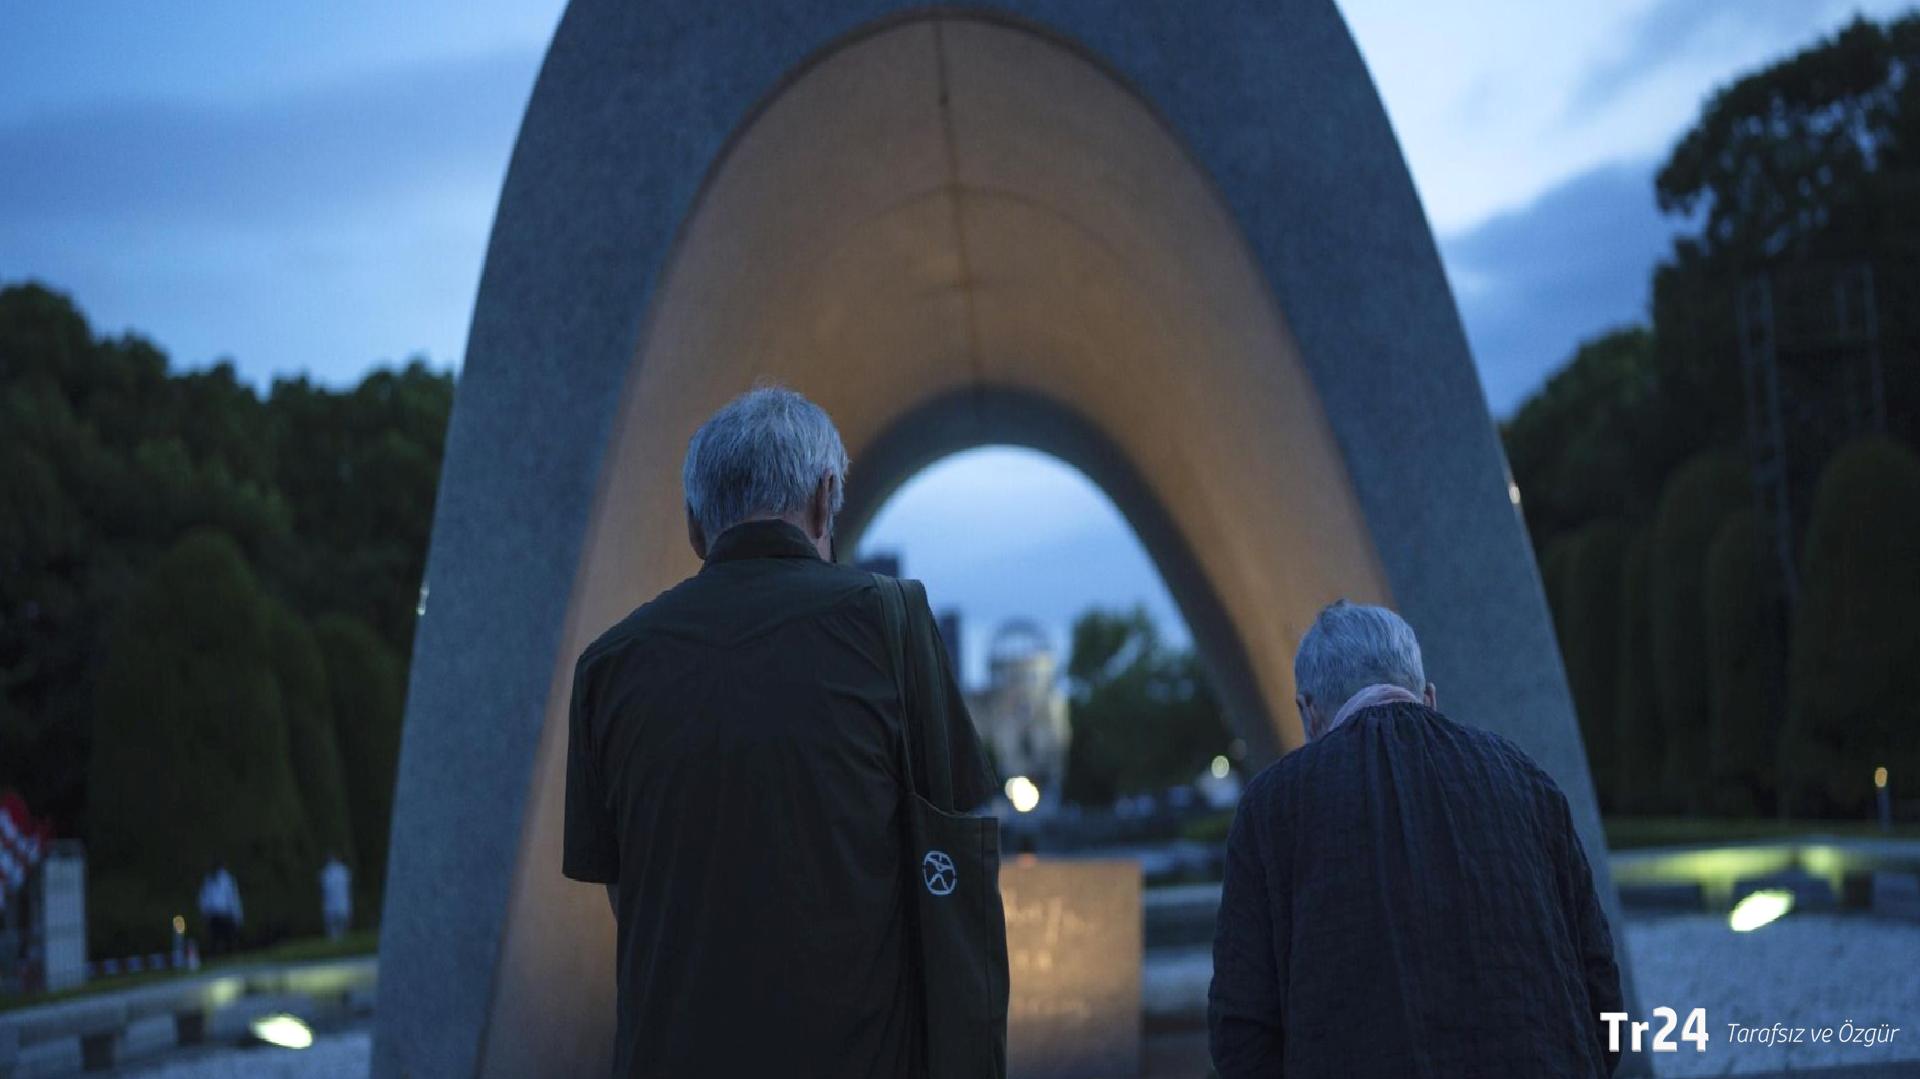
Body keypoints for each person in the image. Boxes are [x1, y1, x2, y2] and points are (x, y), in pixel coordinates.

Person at [563, 386, 997, 1078]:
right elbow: (952, 839)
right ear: (827, 497)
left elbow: (625, 886)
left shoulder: (608, 667)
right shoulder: (890, 620)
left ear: (695, 526)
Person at [1209, 600, 1624, 1077]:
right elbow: (1599, 983)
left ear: (1308, 711)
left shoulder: (1274, 806)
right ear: (1428, 696)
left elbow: (1241, 1024)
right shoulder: (1527, 781)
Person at [197, 861, 243, 957]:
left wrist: (236, 915)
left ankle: (231, 956)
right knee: (215, 940)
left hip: (225, 914)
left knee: (228, 939)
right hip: (213, 916)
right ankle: (217, 957)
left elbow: (233, 898)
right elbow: (204, 899)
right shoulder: (208, 880)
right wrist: (204, 914)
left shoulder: (227, 880)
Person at [319, 853, 352, 941]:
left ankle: (339, 937)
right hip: (334, 902)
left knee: (339, 920)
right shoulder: (327, 872)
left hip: (338, 901)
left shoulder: (340, 870)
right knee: (335, 920)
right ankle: (335, 938)